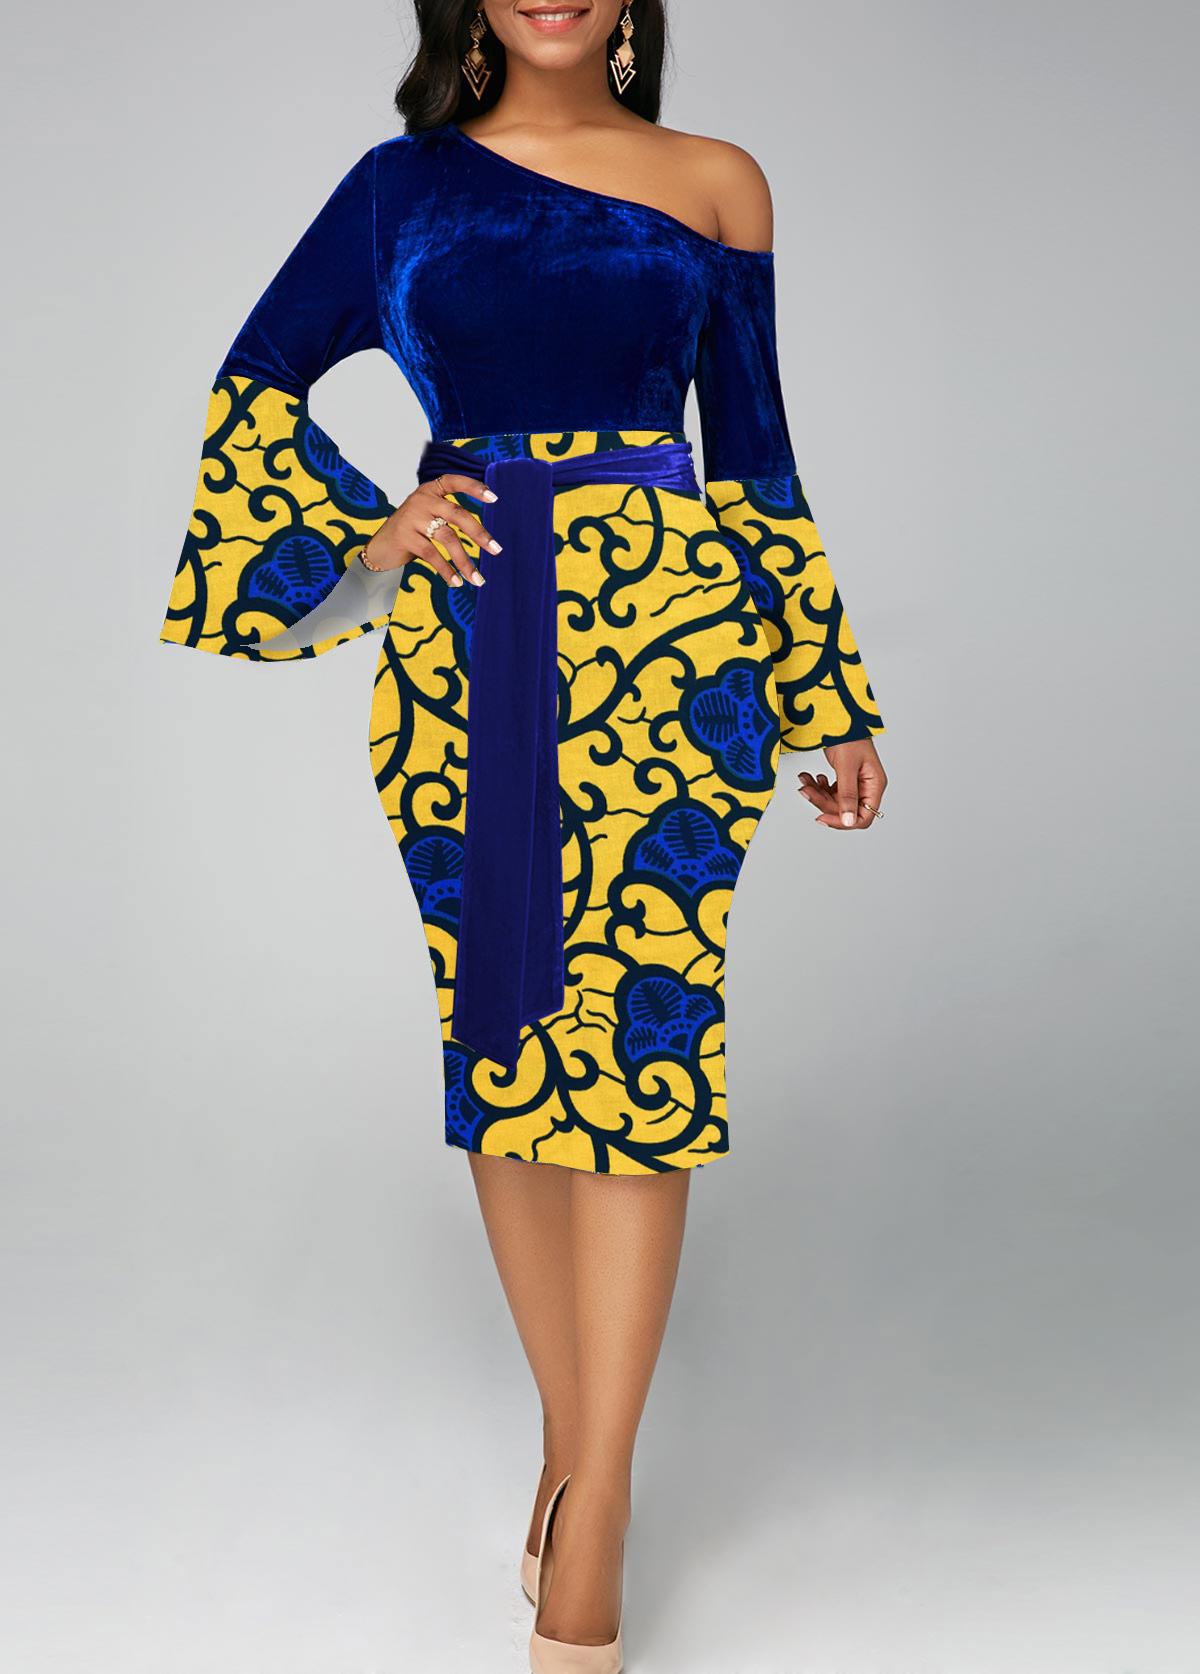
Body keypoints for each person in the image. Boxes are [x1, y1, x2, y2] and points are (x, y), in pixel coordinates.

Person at [157, 2, 888, 1668]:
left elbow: (756, 455)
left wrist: (824, 693)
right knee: (501, 1036)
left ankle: (597, 1499)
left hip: (671, 655)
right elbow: (252, 387)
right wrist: (374, 524)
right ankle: (575, 1448)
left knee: (642, 1038)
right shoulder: (398, 190)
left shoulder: (717, 180)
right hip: (468, 650)